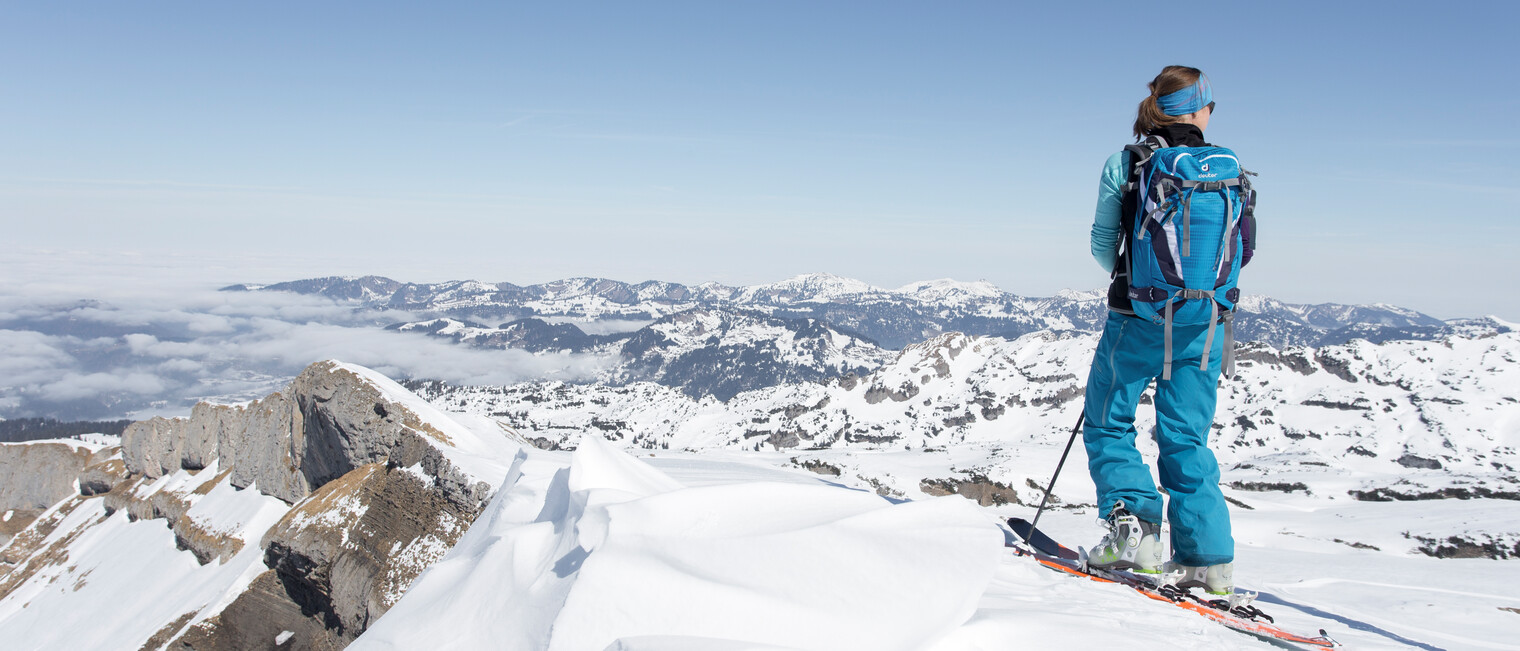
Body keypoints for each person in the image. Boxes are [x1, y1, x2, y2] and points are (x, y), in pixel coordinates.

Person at [1081, 65, 1248, 596]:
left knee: (1109, 420)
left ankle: (1138, 537)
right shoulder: (1228, 169)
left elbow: (1103, 241)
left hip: (1139, 316)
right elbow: (1246, 246)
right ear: (1198, 110)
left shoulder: (1128, 162)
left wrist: (1131, 279)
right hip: (1206, 322)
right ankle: (1208, 560)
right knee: (1186, 434)